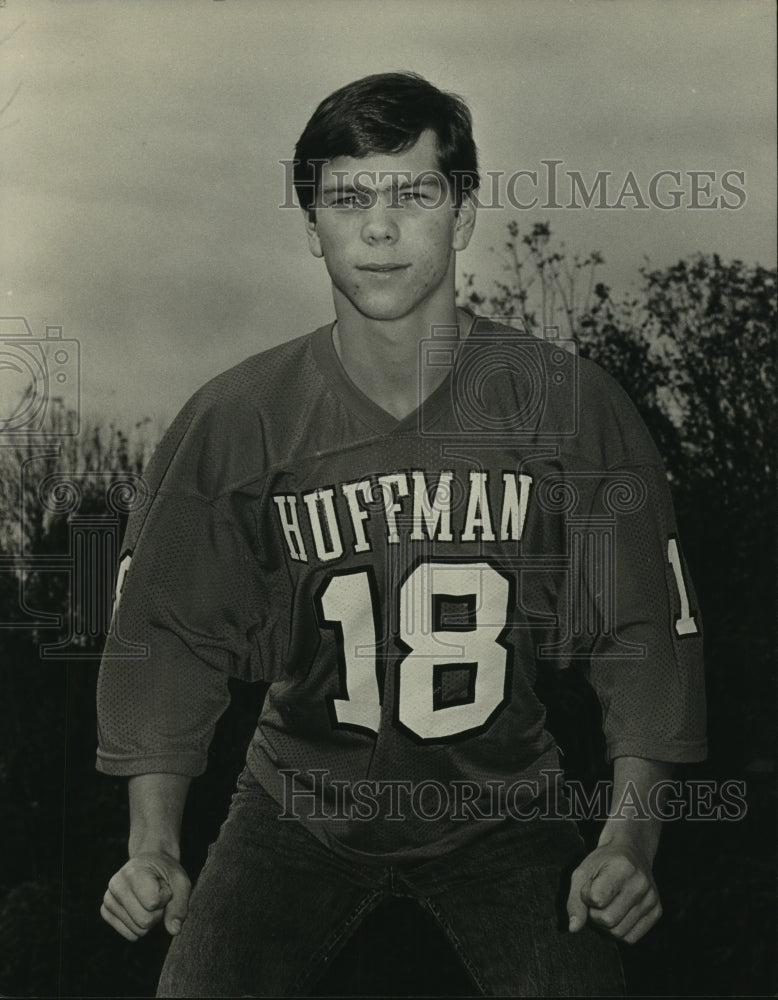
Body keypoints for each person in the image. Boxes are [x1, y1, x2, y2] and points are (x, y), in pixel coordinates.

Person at [96, 72, 706, 997]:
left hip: (504, 803)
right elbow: (168, 638)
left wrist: (631, 835)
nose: (378, 228)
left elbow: (644, 637)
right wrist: (152, 843)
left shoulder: (565, 406)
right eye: (347, 198)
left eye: (413, 193)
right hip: (294, 806)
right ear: (311, 227)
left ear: (461, 213)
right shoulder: (241, 420)